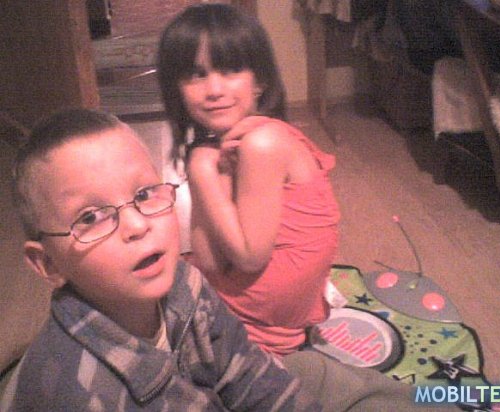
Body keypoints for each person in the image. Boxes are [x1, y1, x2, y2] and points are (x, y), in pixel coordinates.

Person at [1, 108, 317, 411]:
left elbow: (247, 373)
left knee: (324, 373)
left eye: (143, 194)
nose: (138, 225)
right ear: (49, 264)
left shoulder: (185, 281)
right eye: (90, 217)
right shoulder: (83, 396)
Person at [158, 2, 340, 357]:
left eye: (230, 70)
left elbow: (249, 258)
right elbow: (210, 262)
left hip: (264, 324)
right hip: (252, 310)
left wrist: (201, 172)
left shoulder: (263, 143)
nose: (214, 89)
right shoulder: (224, 149)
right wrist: (210, 170)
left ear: (260, 81)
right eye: (196, 74)